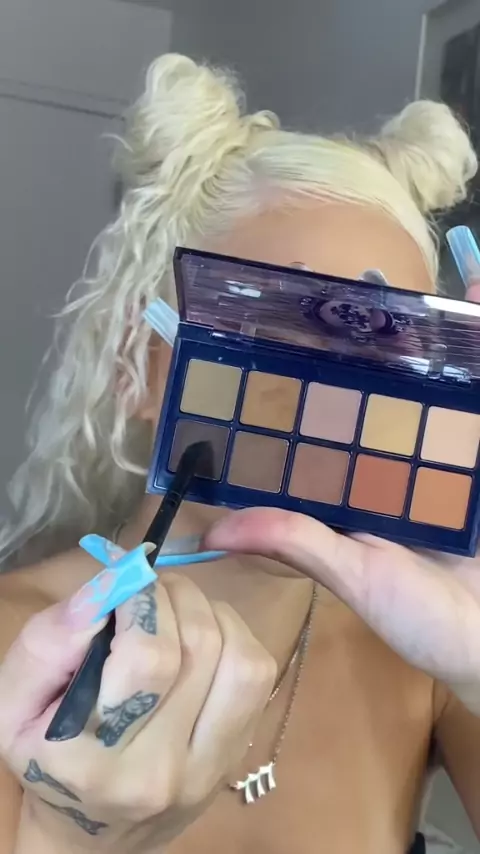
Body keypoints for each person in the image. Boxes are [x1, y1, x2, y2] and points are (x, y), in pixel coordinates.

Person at [0, 53, 479, 854]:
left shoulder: (425, 654)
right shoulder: (15, 642)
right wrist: (68, 841)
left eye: (389, 359)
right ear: (137, 365)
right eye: (281, 337)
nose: (339, 410)